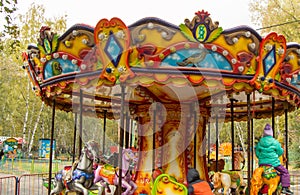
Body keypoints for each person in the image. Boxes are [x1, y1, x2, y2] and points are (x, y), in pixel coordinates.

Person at [255, 124, 293, 195]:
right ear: (271, 133)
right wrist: (275, 156)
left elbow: (257, 152)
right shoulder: (275, 142)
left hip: (262, 164)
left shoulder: (260, 142)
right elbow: (280, 151)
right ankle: (285, 188)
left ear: (264, 133)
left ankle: (260, 190)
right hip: (274, 163)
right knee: (285, 172)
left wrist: (261, 157)